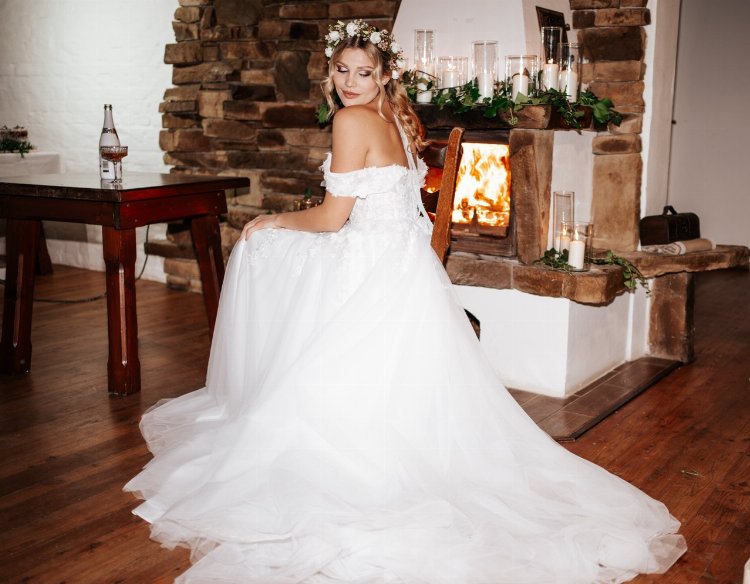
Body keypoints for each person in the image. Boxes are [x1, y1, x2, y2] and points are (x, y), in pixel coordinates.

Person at [125, 19, 687, 584]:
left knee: (260, 250)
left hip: (373, 261)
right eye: (341, 70)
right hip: (408, 265)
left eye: (363, 73)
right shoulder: (395, 115)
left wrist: (272, 219)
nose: (349, 82)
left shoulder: (350, 119)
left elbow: (333, 218)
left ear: (385, 74)